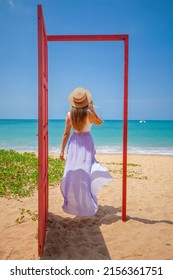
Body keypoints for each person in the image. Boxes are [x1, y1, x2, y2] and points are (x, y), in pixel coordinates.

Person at [59, 87, 112, 216]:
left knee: (75, 172)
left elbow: (66, 134)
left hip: (74, 143)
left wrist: (62, 151)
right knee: (87, 171)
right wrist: (92, 109)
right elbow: (99, 123)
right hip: (87, 141)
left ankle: (76, 202)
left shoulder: (69, 114)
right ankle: (88, 197)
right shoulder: (89, 113)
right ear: (86, 101)